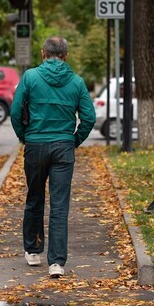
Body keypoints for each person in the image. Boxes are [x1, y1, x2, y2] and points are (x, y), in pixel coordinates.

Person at [10, 36, 95, 278]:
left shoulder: (30, 77)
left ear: (42, 53)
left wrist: (24, 136)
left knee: (34, 197)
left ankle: (33, 250)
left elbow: (15, 111)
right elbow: (89, 117)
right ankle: (56, 262)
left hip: (35, 145)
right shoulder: (77, 82)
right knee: (59, 205)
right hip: (63, 148)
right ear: (66, 56)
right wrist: (73, 140)